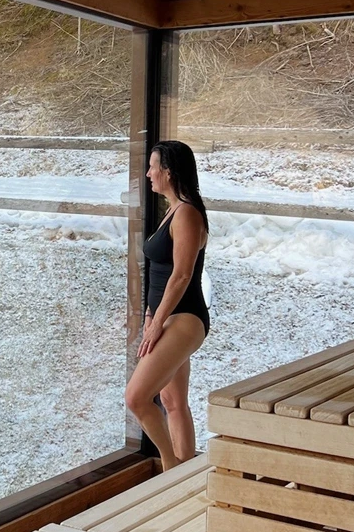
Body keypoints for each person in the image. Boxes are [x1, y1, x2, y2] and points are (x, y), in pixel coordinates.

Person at [125, 140, 210, 472]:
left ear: (169, 172)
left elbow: (181, 274)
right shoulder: (173, 210)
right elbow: (159, 276)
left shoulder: (187, 213)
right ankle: (185, 474)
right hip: (165, 316)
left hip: (184, 318)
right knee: (173, 403)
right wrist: (150, 315)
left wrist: (158, 322)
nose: (148, 174)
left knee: (136, 398)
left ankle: (170, 469)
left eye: (153, 166)